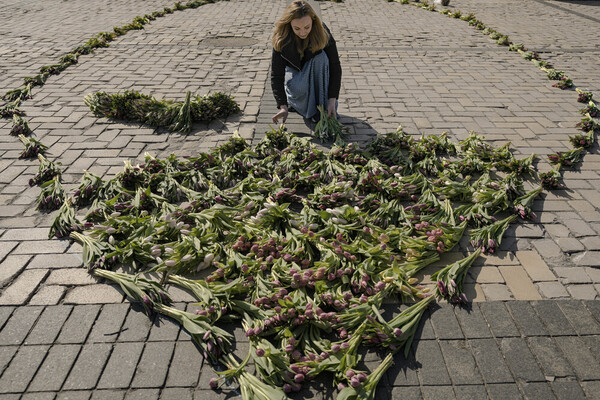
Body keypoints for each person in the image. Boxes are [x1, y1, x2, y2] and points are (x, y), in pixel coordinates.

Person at [271, 0, 342, 125]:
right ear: (289, 24)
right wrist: (283, 106)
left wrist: (332, 100)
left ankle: (322, 109)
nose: (303, 32)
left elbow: (335, 67)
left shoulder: (322, 32)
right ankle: (297, 103)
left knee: (321, 58)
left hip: (317, 75)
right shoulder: (281, 38)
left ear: (313, 21)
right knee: (300, 89)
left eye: (307, 27)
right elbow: (276, 76)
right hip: (297, 80)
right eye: (297, 28)